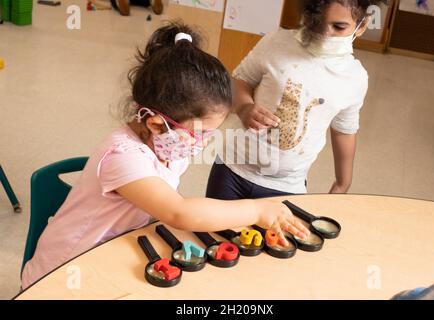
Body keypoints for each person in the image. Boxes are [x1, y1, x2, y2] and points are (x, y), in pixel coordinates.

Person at [21, 22, 309, 289]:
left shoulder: (168, 143)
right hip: (62, 275)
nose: (203, 143)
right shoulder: (123, 158)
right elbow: (179, 213)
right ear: (157, 124)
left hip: (111, 255)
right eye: (200, 134)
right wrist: (258, 210)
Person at [206, 0, 388, 200]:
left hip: (286, 186)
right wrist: (244, 107)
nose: (325, 33)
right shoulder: (277, 41)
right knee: (215, 230)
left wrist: (343, 182)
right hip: (231, 169)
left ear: (362, 25)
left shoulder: (355, 78)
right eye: (317, 22)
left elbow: (344, 132)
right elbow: (240, 81)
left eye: (339, 27)